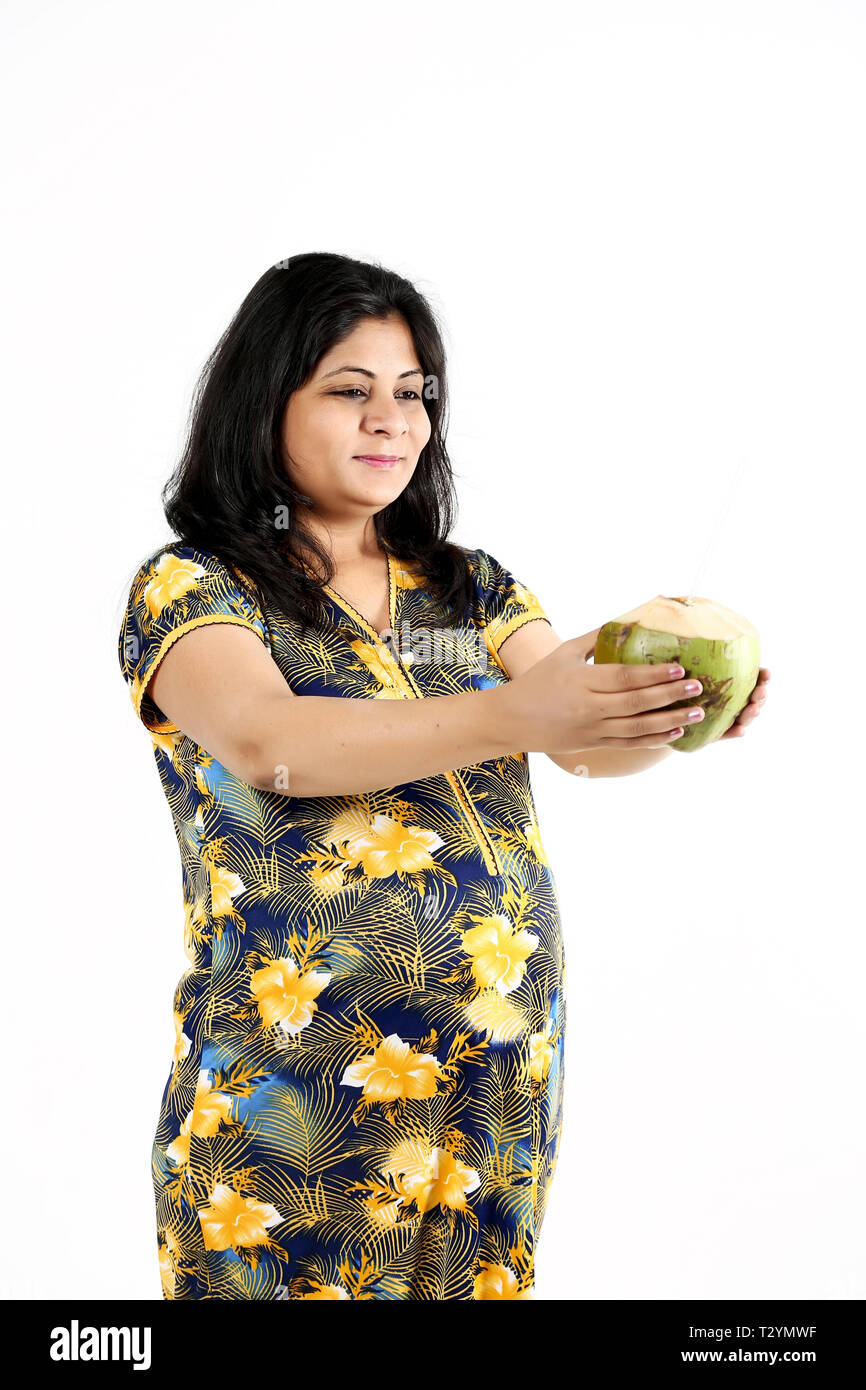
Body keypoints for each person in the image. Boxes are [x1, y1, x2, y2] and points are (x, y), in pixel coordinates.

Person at [118, 252, 769, 1300]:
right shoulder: (196, 585)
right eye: (349, 390)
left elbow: (578, 741)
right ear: (263, 401)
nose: (392, 420)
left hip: (491, 1094)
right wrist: (520, 710)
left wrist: (669, 710)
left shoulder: (466, 590)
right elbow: (265, 741)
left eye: (412, 394)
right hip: (293, 1100)